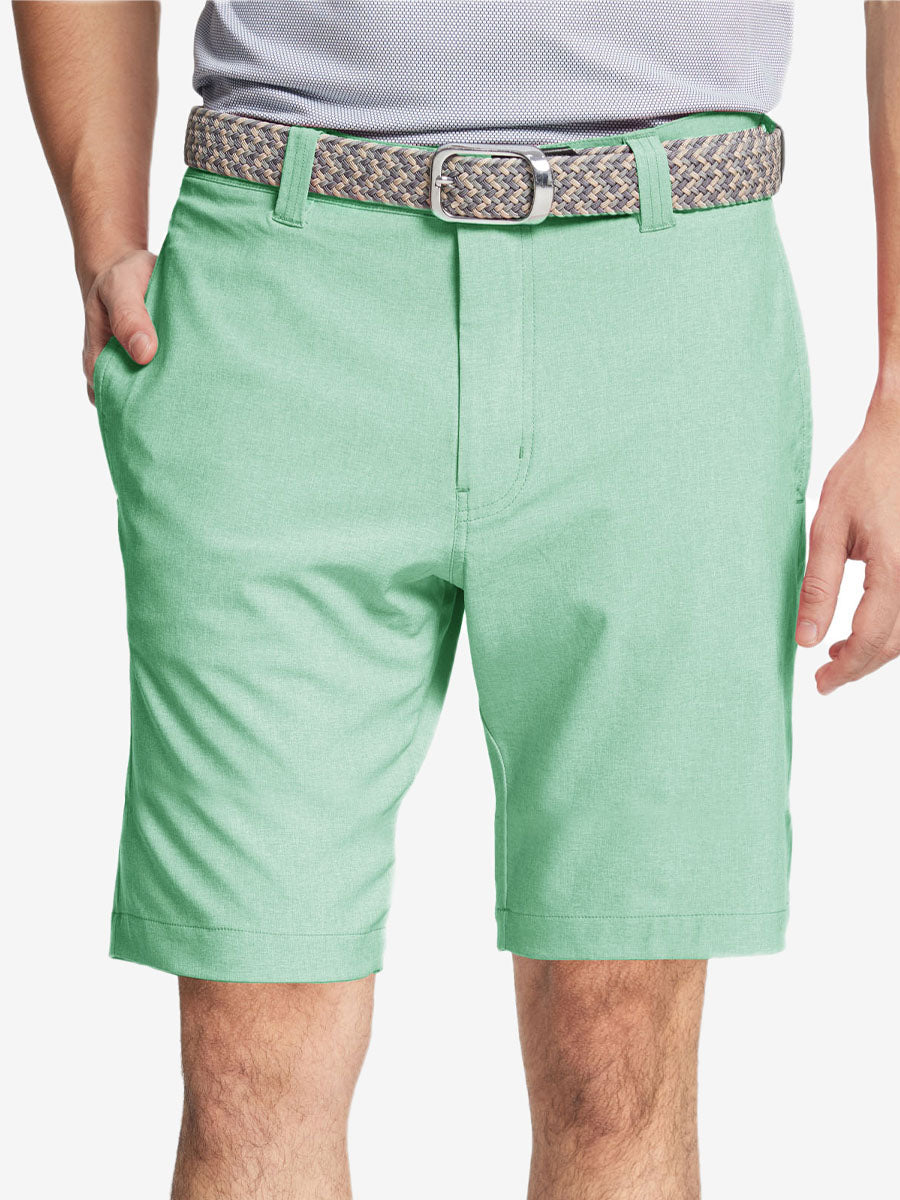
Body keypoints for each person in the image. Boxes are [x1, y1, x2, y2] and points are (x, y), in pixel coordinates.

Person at [13, 2, 900, 1197]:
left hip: (669, 301)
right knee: (250, 1057)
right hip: (282, 288)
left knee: (619, 1043)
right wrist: (102, 235)